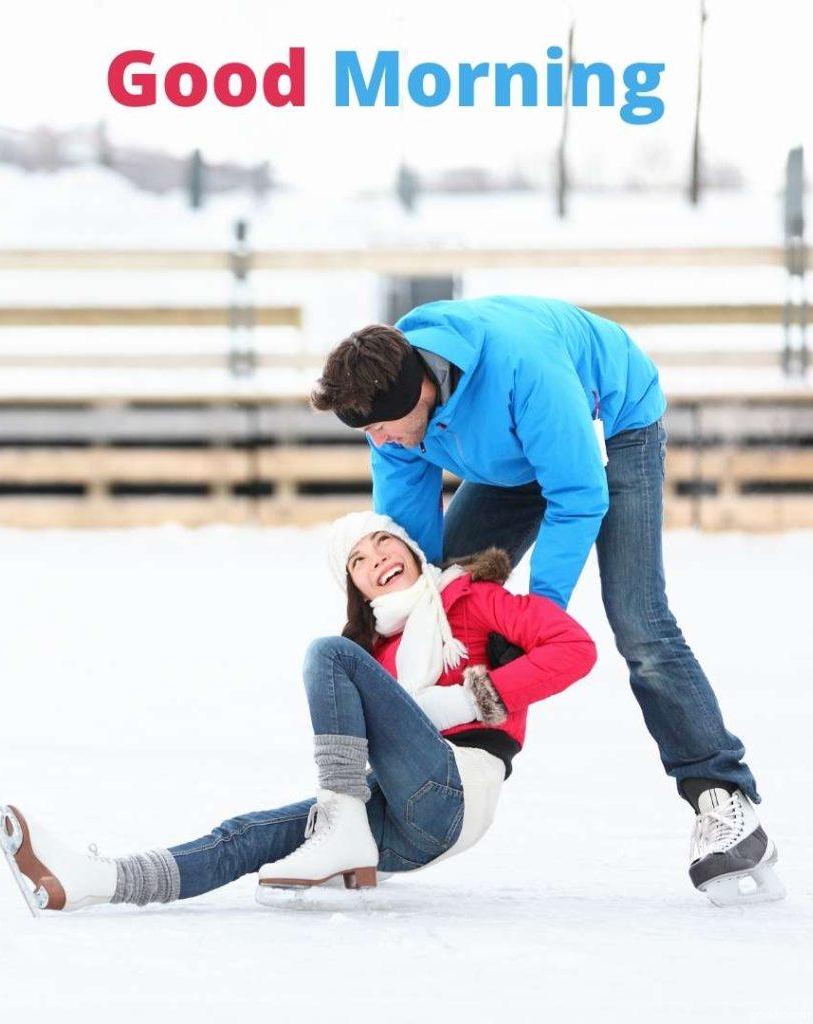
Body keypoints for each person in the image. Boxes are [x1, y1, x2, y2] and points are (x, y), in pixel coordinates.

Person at [309, 296, 785, 905]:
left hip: (613, 426)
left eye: (380, 427)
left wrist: (542, 615)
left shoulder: (523, 369)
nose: (378, 441)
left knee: (639, 622)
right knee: (444, 596)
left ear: (420, 392)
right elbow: (414, 562)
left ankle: (723, 798)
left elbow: (578, 495)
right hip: (515, 453)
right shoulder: (388, 399)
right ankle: (425, 770)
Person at [0, 511, 596, 915]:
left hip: (459, 788)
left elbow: (576, 648)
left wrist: (469, 699)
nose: (377, 556)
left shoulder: (474, 599)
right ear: (358, 589)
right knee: (248, 834)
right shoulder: (374, 656)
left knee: (327, 654)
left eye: (383, 539)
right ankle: (99, 881)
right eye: (357, 560)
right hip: (409, 828)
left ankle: (341, 826)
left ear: (409, 547)